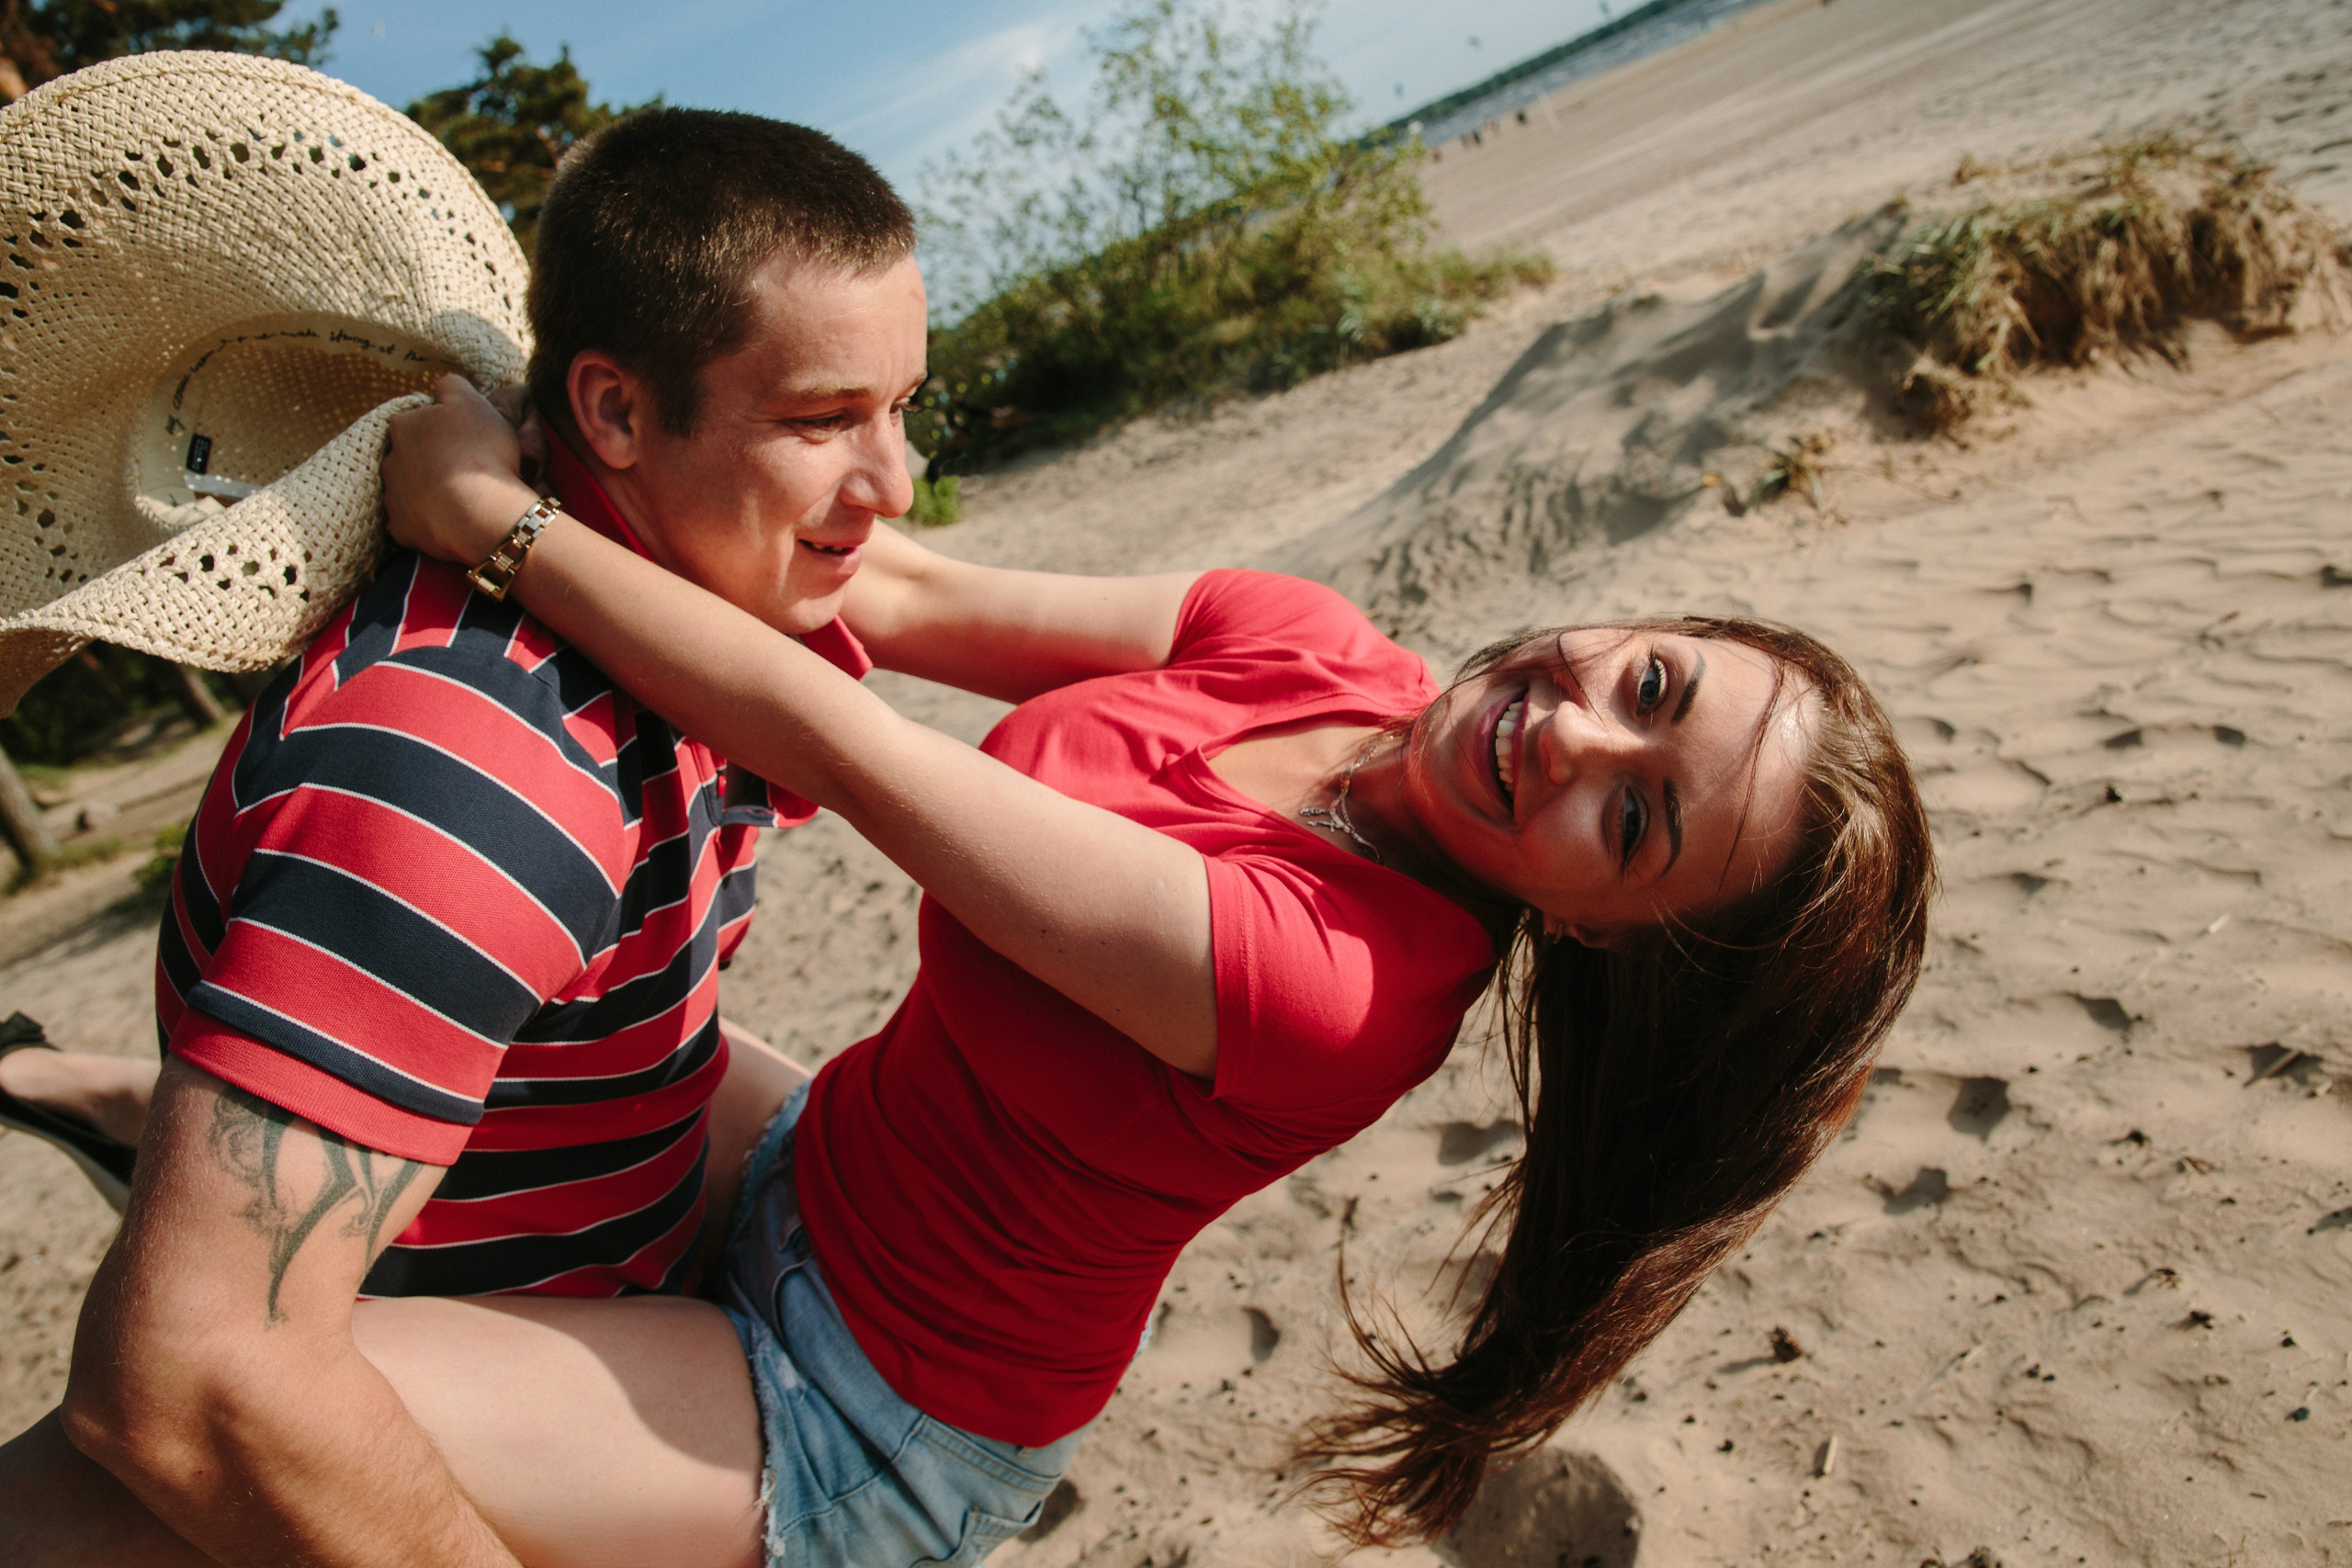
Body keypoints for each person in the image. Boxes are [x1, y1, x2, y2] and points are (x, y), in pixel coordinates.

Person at [322, 374, 1928, 1562]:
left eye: (1632, 820)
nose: (1572, 731)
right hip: (814, 1163)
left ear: (1596, 930)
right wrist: (601, 437)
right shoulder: (1321, 651)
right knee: (406, 1040)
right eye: (1650, 680)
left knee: (255, 1394)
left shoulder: (1348, 990)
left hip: (851, 1409)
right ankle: (97, 1089)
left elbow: (844, 743)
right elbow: (897, 589)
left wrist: (500, 523)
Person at [0, 98, 1198, 1567]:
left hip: (584, 1238)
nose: (889, 490)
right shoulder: (476, 767)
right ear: (617, 413)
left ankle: (128, 1103)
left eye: (903, 407)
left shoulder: (672, 615)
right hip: (452, 1342)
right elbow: (191, 1383)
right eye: (823, 421)